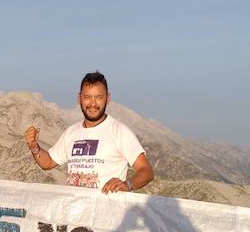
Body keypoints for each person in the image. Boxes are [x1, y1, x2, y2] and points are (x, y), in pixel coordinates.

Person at [24, 71, 154, 194]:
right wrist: (34, 146)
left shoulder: (119, 131)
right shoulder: (71, 132)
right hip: (74, 215)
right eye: (87, 97)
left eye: (98, 97)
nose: (92, 103)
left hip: (106, 215)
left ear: (107, 99)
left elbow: (146, 171)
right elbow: (48, 163)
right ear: (79, 98)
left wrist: (128, 184)